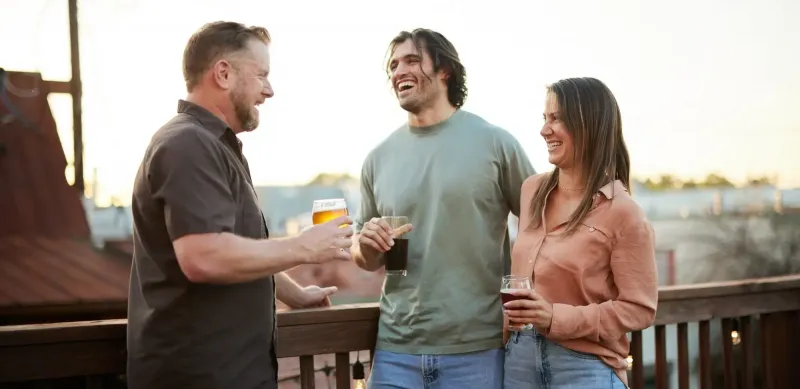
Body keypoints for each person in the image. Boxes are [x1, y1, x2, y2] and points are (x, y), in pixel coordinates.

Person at [126, 21, 354, 389]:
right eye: (261, 75)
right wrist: (303, 247)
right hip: (198, 376)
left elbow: (233, 243)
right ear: (224, 73)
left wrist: (295, 294)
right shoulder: (187, 144)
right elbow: (204, 256)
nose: (270, 90)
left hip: (231, 373)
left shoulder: (213, 146)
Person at [352, 28, 537, 389]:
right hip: (395, 351)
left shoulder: (495, 143)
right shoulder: (378, 158)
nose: (398, 71)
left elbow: (542, 224)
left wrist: (524, 301)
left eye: (411, 60)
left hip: (478, 350)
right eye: (393, 65)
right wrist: (367, 245)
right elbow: (363, 256)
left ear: (444, 71)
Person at [502, 77, 658, 389]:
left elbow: (639, 309)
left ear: (589, 125)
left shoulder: (624, 213)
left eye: (556, 118)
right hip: (518, 360)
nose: (545, 130)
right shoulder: (532, 191)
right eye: (545, 119)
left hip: (584, 368)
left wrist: (555, 318)